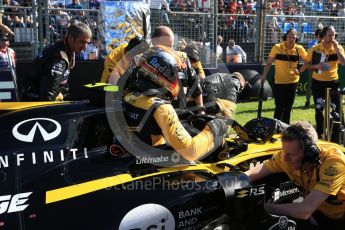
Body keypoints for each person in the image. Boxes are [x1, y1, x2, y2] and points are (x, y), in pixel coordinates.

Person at [122, 47, 228, 162]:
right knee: (216, 134)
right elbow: (190, 152)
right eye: (174, 75)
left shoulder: (128, 97)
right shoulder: (162, 108)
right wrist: (215, 127)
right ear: (164, 75)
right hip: (156, 164)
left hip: (132, 154)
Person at [245, 121, 345, 229]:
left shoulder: (334, 163)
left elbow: (305, 210)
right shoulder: (284, 158)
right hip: (319, 212)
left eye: (291, 154)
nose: (285, 159)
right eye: (284, 151)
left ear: (309, 154)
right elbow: (249, 174)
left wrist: (264, 208)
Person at [24, 22, 92, 101]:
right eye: (82, 42)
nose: (85, 47)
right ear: (70, 38)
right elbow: (48, 95)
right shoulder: (59, 59)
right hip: (34, 103)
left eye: (87, 43)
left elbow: (61, 83)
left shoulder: (64, 48)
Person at [149, 26, 204, 113]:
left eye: (170, 46)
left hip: (180, 112)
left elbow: (195, 85)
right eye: (165, 47)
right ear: (153, 42)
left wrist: (201, 111)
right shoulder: (143, 60)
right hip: (154, 114)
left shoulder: (182, 59)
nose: (168, 51)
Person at [261, 29, 308, 124]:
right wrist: (264, 75)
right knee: (279, 107)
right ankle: (275, 128)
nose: (291, 39)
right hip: (279, 82)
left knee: (288, 108)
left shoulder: (299, 49)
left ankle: (286, 128)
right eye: (290, 37)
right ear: (285, 38)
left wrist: (300, 70)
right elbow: (269, 62)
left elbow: (308, 61)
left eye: (294, 37)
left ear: (296, 39)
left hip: (293, 82)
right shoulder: (277, 47)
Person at [306, 25, 345, 139]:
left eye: (333, 35)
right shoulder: (315, 48)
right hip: (318, 82)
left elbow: (343, 63)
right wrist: (317, 65)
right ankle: (319, 133)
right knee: (319, 109)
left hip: (333, 82)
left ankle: (339, 133)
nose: (332, 38)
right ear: (323, 36)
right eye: (329, 35)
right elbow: (307, 64)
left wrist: (337, 48)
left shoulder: (338, 47)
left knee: (337, 108)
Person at [305, 28, 322, 108]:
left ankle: (320, 101)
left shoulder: (325, 44)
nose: (321, 37)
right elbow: (309, 54)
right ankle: (307, 101)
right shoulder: (311, 43)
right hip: (312, 66)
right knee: (311, 83)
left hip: (322, 66)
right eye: (320, 35)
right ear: (317, 36)